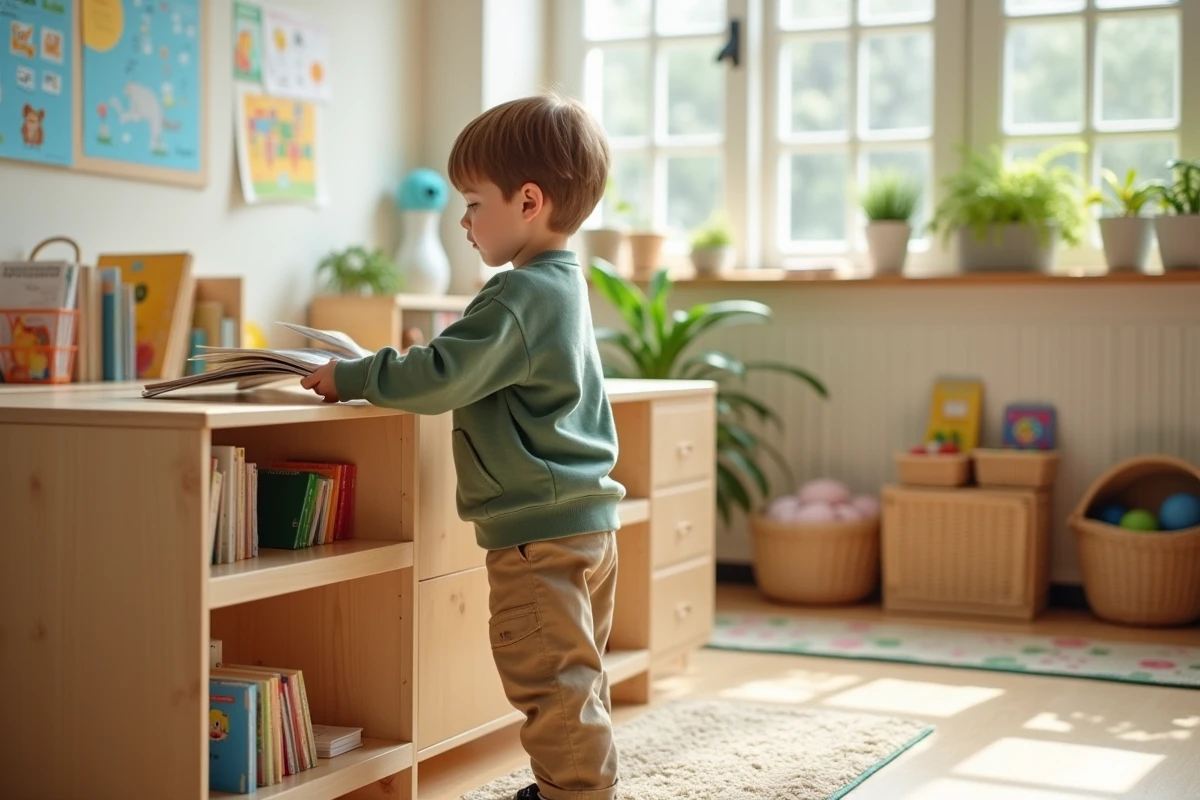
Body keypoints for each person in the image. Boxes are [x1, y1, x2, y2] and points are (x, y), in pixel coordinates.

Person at [301, 93, 625, 800]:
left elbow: (444, 374)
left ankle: (577, 794)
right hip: (584, 523)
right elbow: (469, 367)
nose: (465, 220)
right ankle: (567, 786)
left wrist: (351, 375)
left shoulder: (514, 296)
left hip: (537, 535)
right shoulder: (564, 285)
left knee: (551, 681)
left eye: (475, 203)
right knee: (575, 674)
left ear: (529, 202)